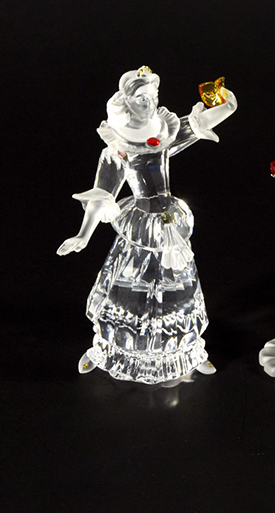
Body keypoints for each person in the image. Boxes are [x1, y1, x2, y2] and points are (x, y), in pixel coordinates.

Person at [58, 66, 238, 383]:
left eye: (153, 95)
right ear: (126, 101)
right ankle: (109, 350)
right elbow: (102, 194)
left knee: (178, 284)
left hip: (168, 220)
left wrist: (228, 105)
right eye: (142, 97)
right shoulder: (118, 148)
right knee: (129, 286)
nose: (151, 102)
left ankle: (187, 352)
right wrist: (83, 235)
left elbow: (199, 123)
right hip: (140, 224)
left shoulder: (163, 133)